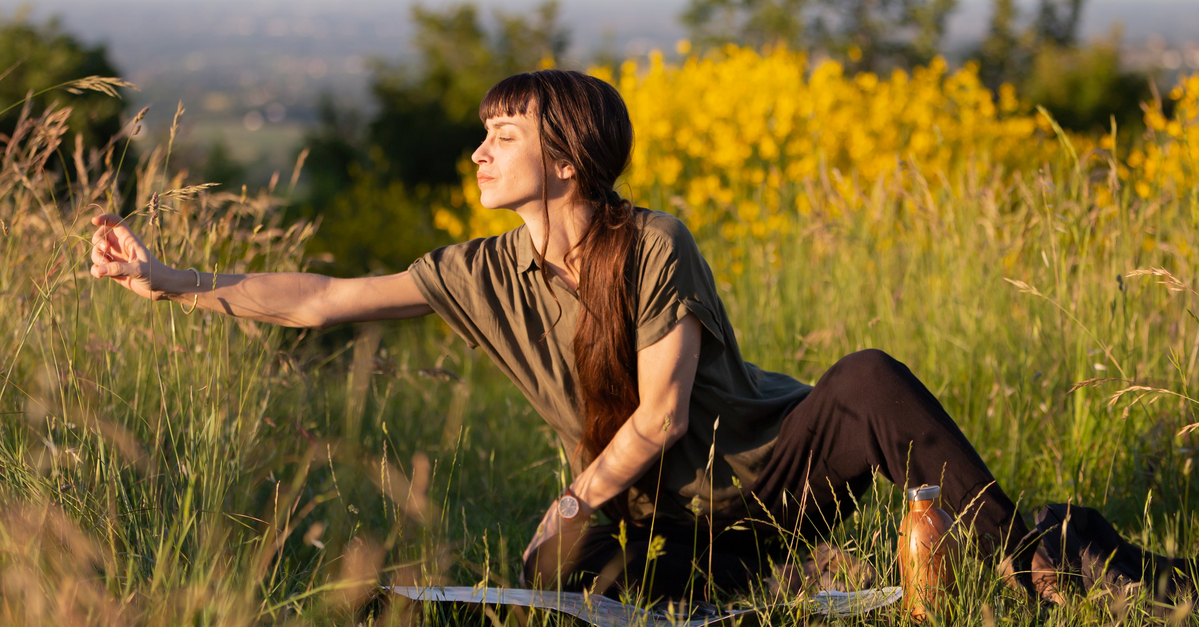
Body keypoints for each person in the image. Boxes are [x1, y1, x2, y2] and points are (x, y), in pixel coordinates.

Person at [89, 69, 1045, 601]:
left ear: (563, 153)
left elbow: (665, 414)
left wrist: (572, 494)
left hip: (771, 470)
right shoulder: (484, 271)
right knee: (549, 579)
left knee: (869, 375)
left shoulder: (654, 242)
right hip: (668, 521)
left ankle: (1024, 562)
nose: (479, 150)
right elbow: (324, 299)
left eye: (501, 133)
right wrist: (169, 280)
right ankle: (770, 588)